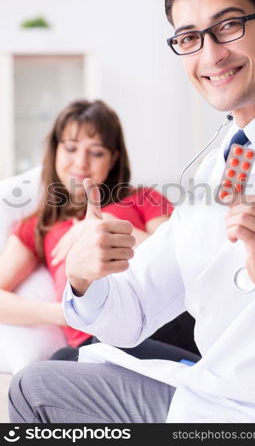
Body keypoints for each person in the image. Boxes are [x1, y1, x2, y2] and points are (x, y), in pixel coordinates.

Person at [8, 0, 255, 423]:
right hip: (214, 398)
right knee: (42, 382)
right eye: (189, 37)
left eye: (229, 26)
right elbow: (132, 312)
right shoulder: (216, 164)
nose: (210, 54)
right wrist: (84, 277)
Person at [0, 99, 198, 363]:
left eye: (96, 153)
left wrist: (98, 227)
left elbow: (180, 262)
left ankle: (195, 372)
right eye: (71, 148)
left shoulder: (143, 199)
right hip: (93, 338)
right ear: (55, 150)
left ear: (113, 158)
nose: (81, 163)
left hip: (156, 322)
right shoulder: (39, 226)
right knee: (59, 361)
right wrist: (67, 311)